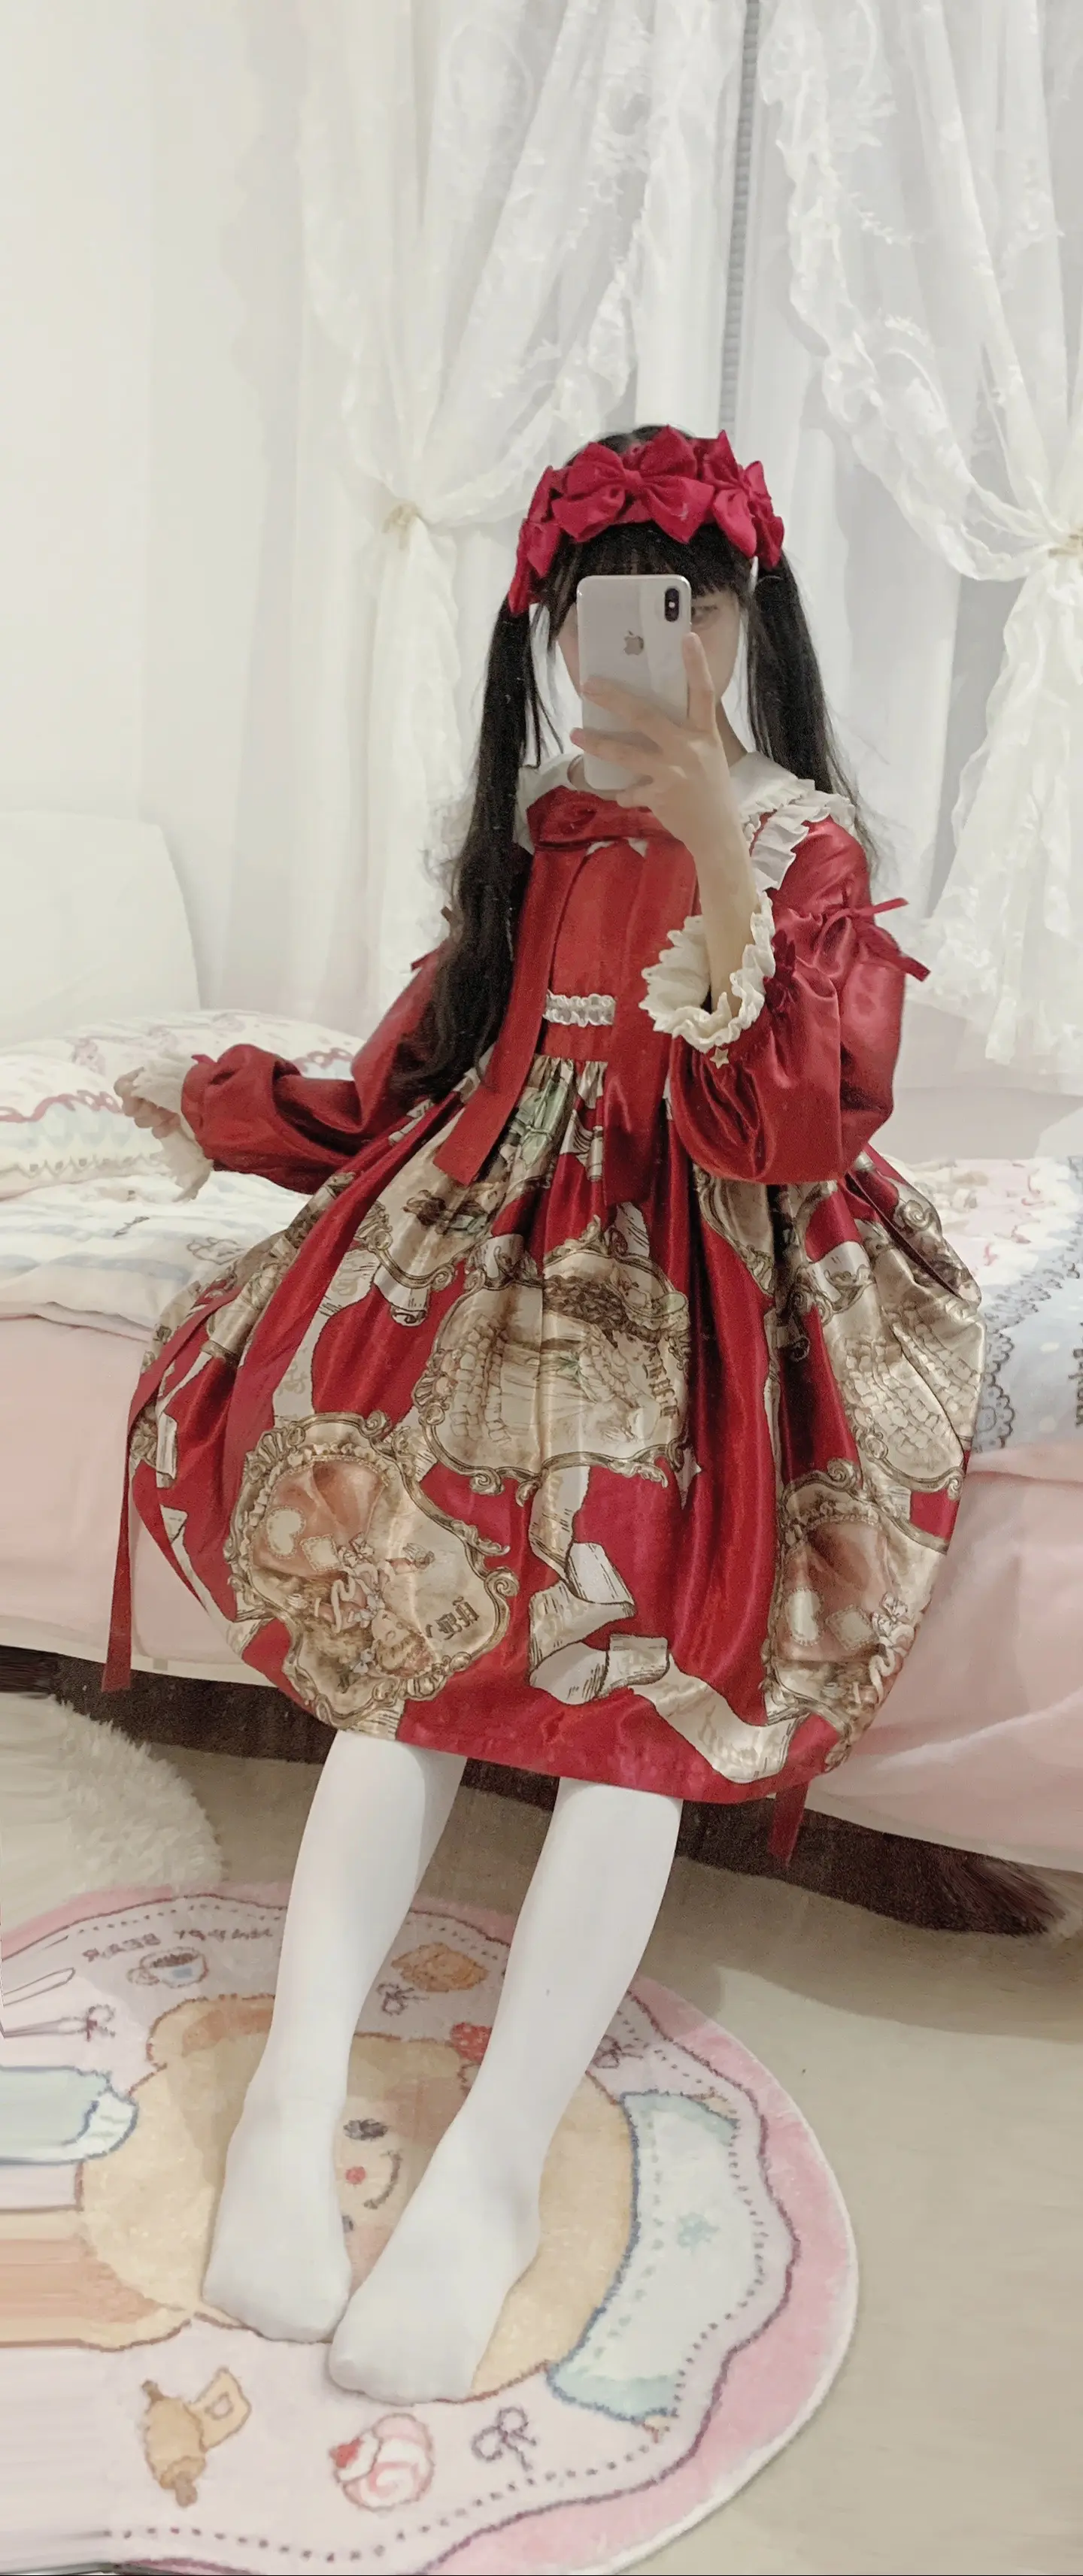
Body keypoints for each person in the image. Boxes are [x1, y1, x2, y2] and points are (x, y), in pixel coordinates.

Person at [111, 424, 984, 2402]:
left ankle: (495, 2163)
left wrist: (721, 858)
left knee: (639, 1703)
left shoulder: (800, 848)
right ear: (550, 630)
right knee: (401, 1660)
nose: (642, 647)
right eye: (600, 613)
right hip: (498, 1253)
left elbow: (789, 1122)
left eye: (686, 609)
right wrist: (257, 1111)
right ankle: (295, 2096)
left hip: (711, 1288)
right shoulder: (542, 830)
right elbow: (436, 1052)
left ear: (744, 625)